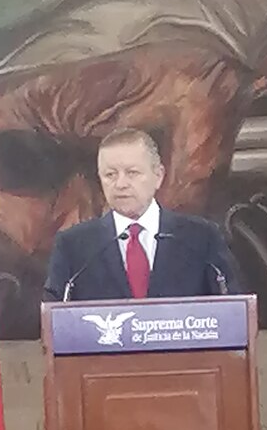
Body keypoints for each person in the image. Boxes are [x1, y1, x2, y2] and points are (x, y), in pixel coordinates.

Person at [43, 129, 239, 302]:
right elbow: (54, 321)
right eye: (110, 174)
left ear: (158, 176)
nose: (120, 184)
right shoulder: (73, 246)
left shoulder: (200, 237)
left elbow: (233, 308)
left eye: (132, 173)